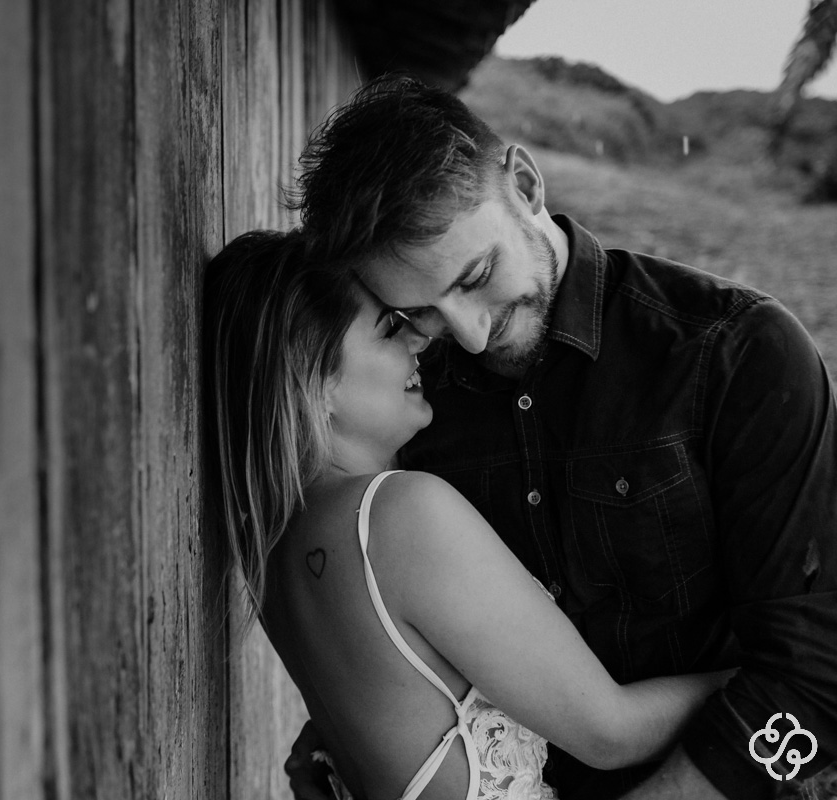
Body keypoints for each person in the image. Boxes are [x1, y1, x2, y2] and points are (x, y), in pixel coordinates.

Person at [282, 76, 837, 800]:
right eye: (420, 313)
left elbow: (819, 676)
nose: (469, 335)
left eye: (477, 277)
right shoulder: (412, 400)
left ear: (524, 183)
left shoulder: (738, 353)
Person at [201, 229, 734, 800]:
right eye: (390, 329)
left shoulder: (274, 542)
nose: (420, 340)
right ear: (316, 377)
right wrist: (778, 684)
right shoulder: (401, 514)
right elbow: (611, 733)